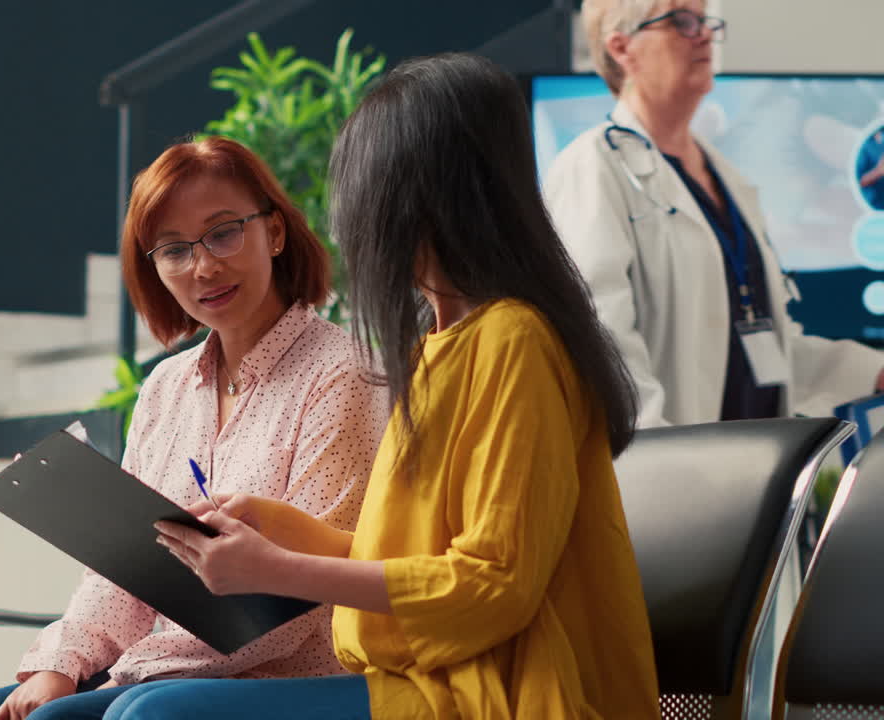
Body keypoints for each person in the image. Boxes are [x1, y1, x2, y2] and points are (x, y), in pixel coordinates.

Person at [124, 53, 660, 719]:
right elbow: (418, 568)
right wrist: (283, 530)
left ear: (418, 198)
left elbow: (494, 586)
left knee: (153, 715)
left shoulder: (513, 340)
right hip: (432, 677)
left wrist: (275, 570)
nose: (348, 218)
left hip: (494, 691)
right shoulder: (435, 346)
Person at [0, 137, 390, 720]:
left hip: (298, 674)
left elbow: (294, 606)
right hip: (178, 670)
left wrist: (127, 674)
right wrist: (62, 661)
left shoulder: (344, 373)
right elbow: (128, 566)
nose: (204, 266)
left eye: (224, 232)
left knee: (95, 715)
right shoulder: (166, 386)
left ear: (275, 233)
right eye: (174, 249)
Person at [544, 0, 884, 428]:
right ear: (622, 48)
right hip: (667, 468)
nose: (703, 34)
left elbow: (762, 343)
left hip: (750, 460)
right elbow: (599, 336)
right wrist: (659, 453)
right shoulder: (593, 166)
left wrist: (871, 370)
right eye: (681, 22)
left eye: (705, 21)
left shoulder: (728, 179)